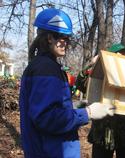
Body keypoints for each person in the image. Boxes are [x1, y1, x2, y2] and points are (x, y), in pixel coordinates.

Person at [19, 8, 115, 158]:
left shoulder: (43, 66)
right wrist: (87, 113)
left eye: (68, 38)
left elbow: (51, 106)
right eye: (62, 37)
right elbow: (47, 118)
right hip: (52, 152)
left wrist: (79, 107)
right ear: (49, 37)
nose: (66, 42)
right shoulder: (46, 68)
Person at [75, 43, 125, 158]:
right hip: (102, 132)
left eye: (124, 55)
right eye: (118, 55)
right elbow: (80, 84)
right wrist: (91, 65)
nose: (122, 58)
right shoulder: (99, 76)